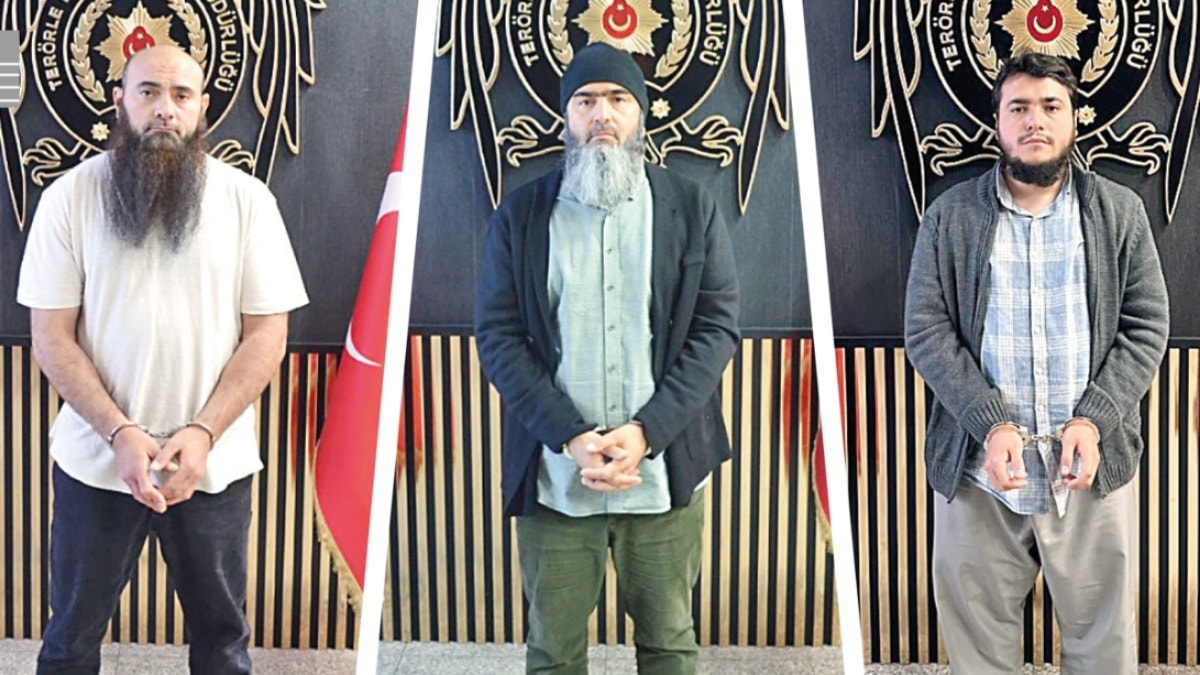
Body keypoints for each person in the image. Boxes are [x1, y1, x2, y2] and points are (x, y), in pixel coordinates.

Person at [17, 45, 308, 674]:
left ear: (203, 108)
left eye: (181, 95)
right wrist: (119, 432)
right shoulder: (68, 198)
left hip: (211, 464)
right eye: (148, 91)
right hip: (98, 461)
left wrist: (202, 432)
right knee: (69, 642)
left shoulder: (248, 201)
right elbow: (51, 337)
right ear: (119, 101)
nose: (164, 109)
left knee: (223, 646)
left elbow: (267, 335)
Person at [474, 42, 740, 674]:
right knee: (553, 651)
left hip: (664, 474)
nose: (603, 114)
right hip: (558, 480)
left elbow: (716, 328)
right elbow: (498, 336)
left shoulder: (691, 207)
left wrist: (648, 432)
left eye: (619, 99)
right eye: (586, 100)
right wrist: (569, 435)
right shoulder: (522, 215)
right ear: (566, 116)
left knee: (670, 642)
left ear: (640, 113)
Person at [904, 51, 1169, 674]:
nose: (1034, 121)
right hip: (979, 470)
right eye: (1018, 107)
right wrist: (989, 423)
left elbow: (1146, 325)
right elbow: (926, 329)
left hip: (1089, 468)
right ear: (997, 121)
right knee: (978, 649)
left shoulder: (1120, 213)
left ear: (1074, 118)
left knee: (1103, 646)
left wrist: (1094, 420)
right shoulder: (950, 217)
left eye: (1051, 106)